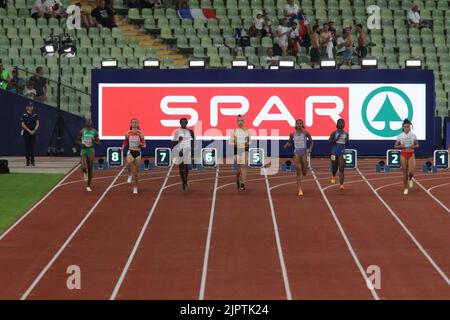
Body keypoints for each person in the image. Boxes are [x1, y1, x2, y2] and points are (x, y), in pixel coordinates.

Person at [283, 119, 313, 196]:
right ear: (295, 124)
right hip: (296, 153)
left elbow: (311, 141)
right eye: (297, 123)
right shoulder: (292, 134)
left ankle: (305, 168)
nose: (299, 124)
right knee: (298, 170)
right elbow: (290, 141)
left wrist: (310, 149)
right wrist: (286, 145)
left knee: (304, 172)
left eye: (300, 123)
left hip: (304, 153)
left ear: (302, 124)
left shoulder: (306, 133)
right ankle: (299, 189)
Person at [394, 119, 419, 195]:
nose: (407, 128)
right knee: (405, 173)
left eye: (408, 127)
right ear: (403, 127)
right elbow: (395, 146)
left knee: (411, 172)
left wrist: (413, 146)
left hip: (411, 154)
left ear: (410, 127)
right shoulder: (400, 136)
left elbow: (418, 145)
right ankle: (405, 188)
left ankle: (410, 179)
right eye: (405, 127)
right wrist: (400, 146)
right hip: (403, 154)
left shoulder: (413, 135)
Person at [122, 119, 146, 194]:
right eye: (133, 123)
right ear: (131, 124)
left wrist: (140, 143)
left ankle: (135, 187)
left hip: (138, 152)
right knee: (129, 162)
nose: (134, 124)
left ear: (138, 124)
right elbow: (125, 142)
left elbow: (144, 145)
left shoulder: (140, 133)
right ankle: (129, 175)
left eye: (136, 123)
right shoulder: (127, 133)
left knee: (136, 173)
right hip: (131, 150)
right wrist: (122, 147)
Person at [76, 118, 100, 192]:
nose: (89, 123)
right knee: (83, 167)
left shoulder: (94, 132)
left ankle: (88, 186)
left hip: (91, 150)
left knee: (90, 168)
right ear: (85, 123)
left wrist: (94, 141)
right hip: (84, 150)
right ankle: (84, 172)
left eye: (90, 121)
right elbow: (77, 140)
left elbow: (99, 142)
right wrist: (81, 144)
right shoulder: (82, 131)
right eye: (88, 121)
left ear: (91, 123)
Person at [172, 118, 195, 190]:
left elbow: (195, 141)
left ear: (187, 123)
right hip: (180, 151)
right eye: (182, 122)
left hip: (187, 151)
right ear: (180, 123)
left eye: (185, 122)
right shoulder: (177, 132)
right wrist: (179, 141)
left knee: (187, 168)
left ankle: (185, 180)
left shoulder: (191, 131)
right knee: (181, 168)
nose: (184, 123)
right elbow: (173, 143)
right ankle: (184, 182)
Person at [230, 115, 251, 191]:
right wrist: (236, 143)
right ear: (237, 122)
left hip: (245, 150)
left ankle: (243, 183)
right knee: (239, 169)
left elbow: (249, 141)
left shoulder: (247, 131)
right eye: (239, 120)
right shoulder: (234, 131)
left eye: (242, 120)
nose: (240, 122)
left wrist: (247, 143)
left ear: (244, 122)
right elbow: (230, 142)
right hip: (237, 150)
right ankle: (237, 179)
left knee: (244, 166)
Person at [328, 119, 349, 190]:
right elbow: (329, 142)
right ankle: (333, 175)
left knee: (341, 168)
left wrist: (347, 140)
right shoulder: (334, 133)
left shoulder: (346, 134)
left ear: (344, 125)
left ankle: (341, 184)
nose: (341, 124)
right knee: (334, 167)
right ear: (337, 124)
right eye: (340, 123)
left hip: (342, 152)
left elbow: (348, 144)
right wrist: (335, 139)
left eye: (343, 123)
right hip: (334, 152)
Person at [20, 102, 40, 166]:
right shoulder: (24, 115)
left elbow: (37, 123)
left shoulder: (35, 115)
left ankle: (33, 161)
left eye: (32, 106)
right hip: (27, 132)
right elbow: (22, 124)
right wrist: (29, 131)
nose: (31, 107)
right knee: (27, 147)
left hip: (33, 132)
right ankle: (27, 161)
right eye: (30, 106)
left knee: (32, 146)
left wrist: (34, 130)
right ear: (27, 107)